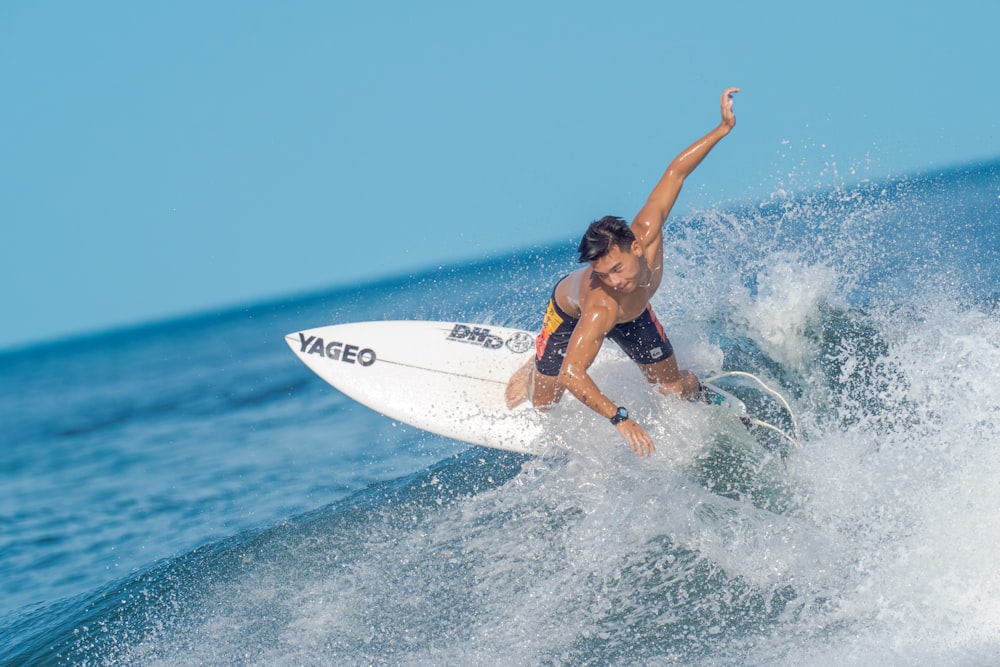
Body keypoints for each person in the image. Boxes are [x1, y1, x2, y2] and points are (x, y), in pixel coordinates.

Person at [505, 87, 739, 458]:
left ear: (634, 246)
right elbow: (573, 374)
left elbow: (675, 173)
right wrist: (620, 418)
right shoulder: (601, 303)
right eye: (603, 274)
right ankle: (534, 367)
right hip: (573, 315)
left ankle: (705, 394)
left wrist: (722, 128)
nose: (613, 281)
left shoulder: (647, 231)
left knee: (675, 391)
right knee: (545, 402)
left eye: (616, 268)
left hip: (634, 315)